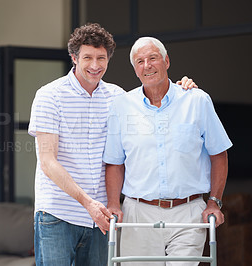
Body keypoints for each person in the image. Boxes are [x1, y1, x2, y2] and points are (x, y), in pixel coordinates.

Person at [28, 24, 196, 266]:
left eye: (101, 58)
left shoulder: (118, 98)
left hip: (102, 218)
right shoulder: (49, 96)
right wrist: (88, 203)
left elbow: (157, 115)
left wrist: (184, 90)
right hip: (58, 214)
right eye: (87, 57)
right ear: (74, 58)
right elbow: (47, 162)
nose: (95, 65)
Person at [103, 36, 232, 265]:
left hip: (188, 212)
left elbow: (219, 154)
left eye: (153, 58)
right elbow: (115, 161)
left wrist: (214, 201)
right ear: (135, 69)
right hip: (138, 214)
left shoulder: (197, 100)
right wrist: (114, 203)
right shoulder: (121, 106)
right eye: (140, 61)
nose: (147, 65)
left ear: (167, 61)